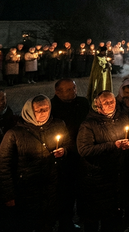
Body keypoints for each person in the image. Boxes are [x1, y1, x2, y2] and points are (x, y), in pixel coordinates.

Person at [0, 94, 69, 232]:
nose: (43, 113)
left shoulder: (58, 124)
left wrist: (64, 151)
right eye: (38, 110)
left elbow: (68, 144)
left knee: (48, 221)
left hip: (51, 186)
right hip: (25, 189)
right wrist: (8, 194)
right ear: (29, 111)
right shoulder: (14, 133)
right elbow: (3, 166)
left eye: (46, 109)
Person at [77, 90, 129, 230]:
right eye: (106, 103)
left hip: (118, 173)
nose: (110, 105)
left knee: (113, 217)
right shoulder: (89, 124)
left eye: (112, 102)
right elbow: (84, 150)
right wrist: (112, 145)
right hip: (98, 176)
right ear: (98, 106)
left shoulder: (122, 117)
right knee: (94, 216)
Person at [50, 78, 92, 230]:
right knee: (65, 191)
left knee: (83, 188)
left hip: (82, 150)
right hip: (64, 155)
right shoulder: (51, 106)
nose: (73, 92)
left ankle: (84, 216)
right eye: (68, 90)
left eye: (73, 88)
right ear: (57, 92)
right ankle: (65, 221)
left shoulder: (83, 102)